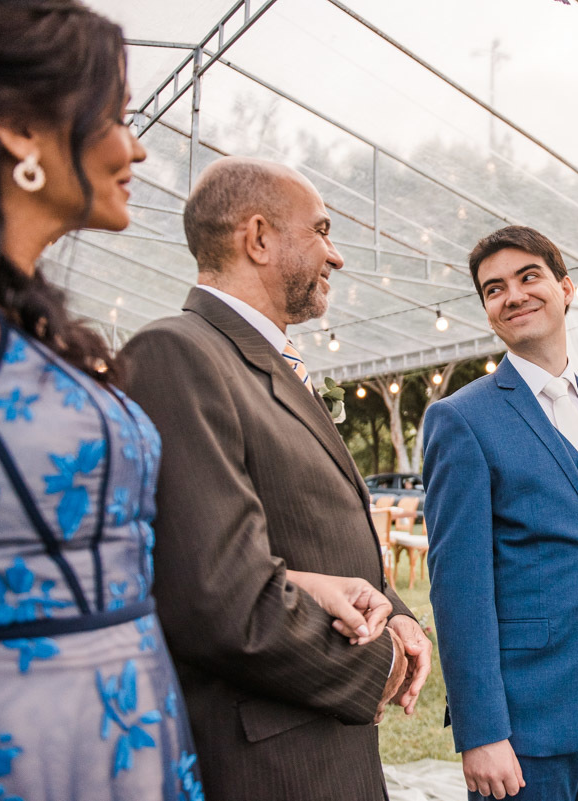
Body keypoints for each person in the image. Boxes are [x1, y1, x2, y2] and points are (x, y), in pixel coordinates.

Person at [0, 1, 201, 796]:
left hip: (127, 728)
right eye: (115, 116)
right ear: (19, 127)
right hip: (7, 745)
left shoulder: (19, 310)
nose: (137, 146)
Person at [121, 156, 432, 801]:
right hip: (272, 763)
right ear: (258, 238)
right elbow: (217, 595)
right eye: (321, 230)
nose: (336, 256)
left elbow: (314, 534)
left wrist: (398, 616)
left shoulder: (267, 360)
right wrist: (376, 667)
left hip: (325, 750)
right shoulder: (177, 353)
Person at [422, 225, 578, 801]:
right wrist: (481, 731)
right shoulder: (460, 420)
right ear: (488, 311)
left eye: (528, 277)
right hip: (526, 720)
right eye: (494, 289)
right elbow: (458, 589)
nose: (513, 295)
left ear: (566, 288)